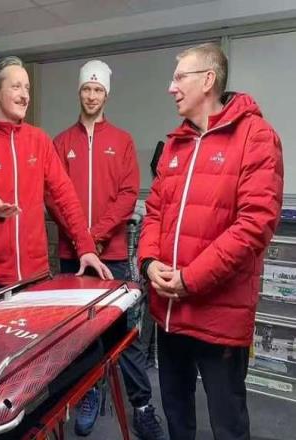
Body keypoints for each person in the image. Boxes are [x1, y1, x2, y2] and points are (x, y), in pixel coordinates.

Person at [138, 43, 284, 440]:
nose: (171, 88)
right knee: (176, 414)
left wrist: (190, 279)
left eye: (179, 77)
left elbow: (254, 224)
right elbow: (154, 212)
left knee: (227, 422)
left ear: (208, 80)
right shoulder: (175, 143)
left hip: (218, 315)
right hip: (169, 312)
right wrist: (149, 262)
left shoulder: (256, 137)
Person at [47, 60, 164, 439]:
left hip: (111, 255)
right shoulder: (61, 143)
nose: (91, 96)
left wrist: (95, 237)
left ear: (106, 94)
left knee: (122, 335)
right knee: (79, 335)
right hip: (73, 258)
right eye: (86, 89)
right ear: (79, 92)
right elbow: (53, 198)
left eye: (98, 90)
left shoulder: (122, 141)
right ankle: (88, 394)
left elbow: (128, 195)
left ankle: (142, 405)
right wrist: (81, 241)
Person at [0, 56, 112, 298]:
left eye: (27, 88)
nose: (24, 95)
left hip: (35, 276)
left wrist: (86, 247)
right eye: (16, 87)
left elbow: (65, 196)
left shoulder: (39, 140)